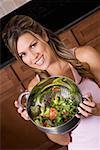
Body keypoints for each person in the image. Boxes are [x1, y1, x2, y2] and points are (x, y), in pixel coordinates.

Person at [2, 15, 100, 150]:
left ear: (44, 35)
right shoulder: (36, 89)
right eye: (23, 54)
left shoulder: (85, 56)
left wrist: (97, 109)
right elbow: (64, 140)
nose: (32, 57)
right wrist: (37, 120)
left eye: (33, 45)